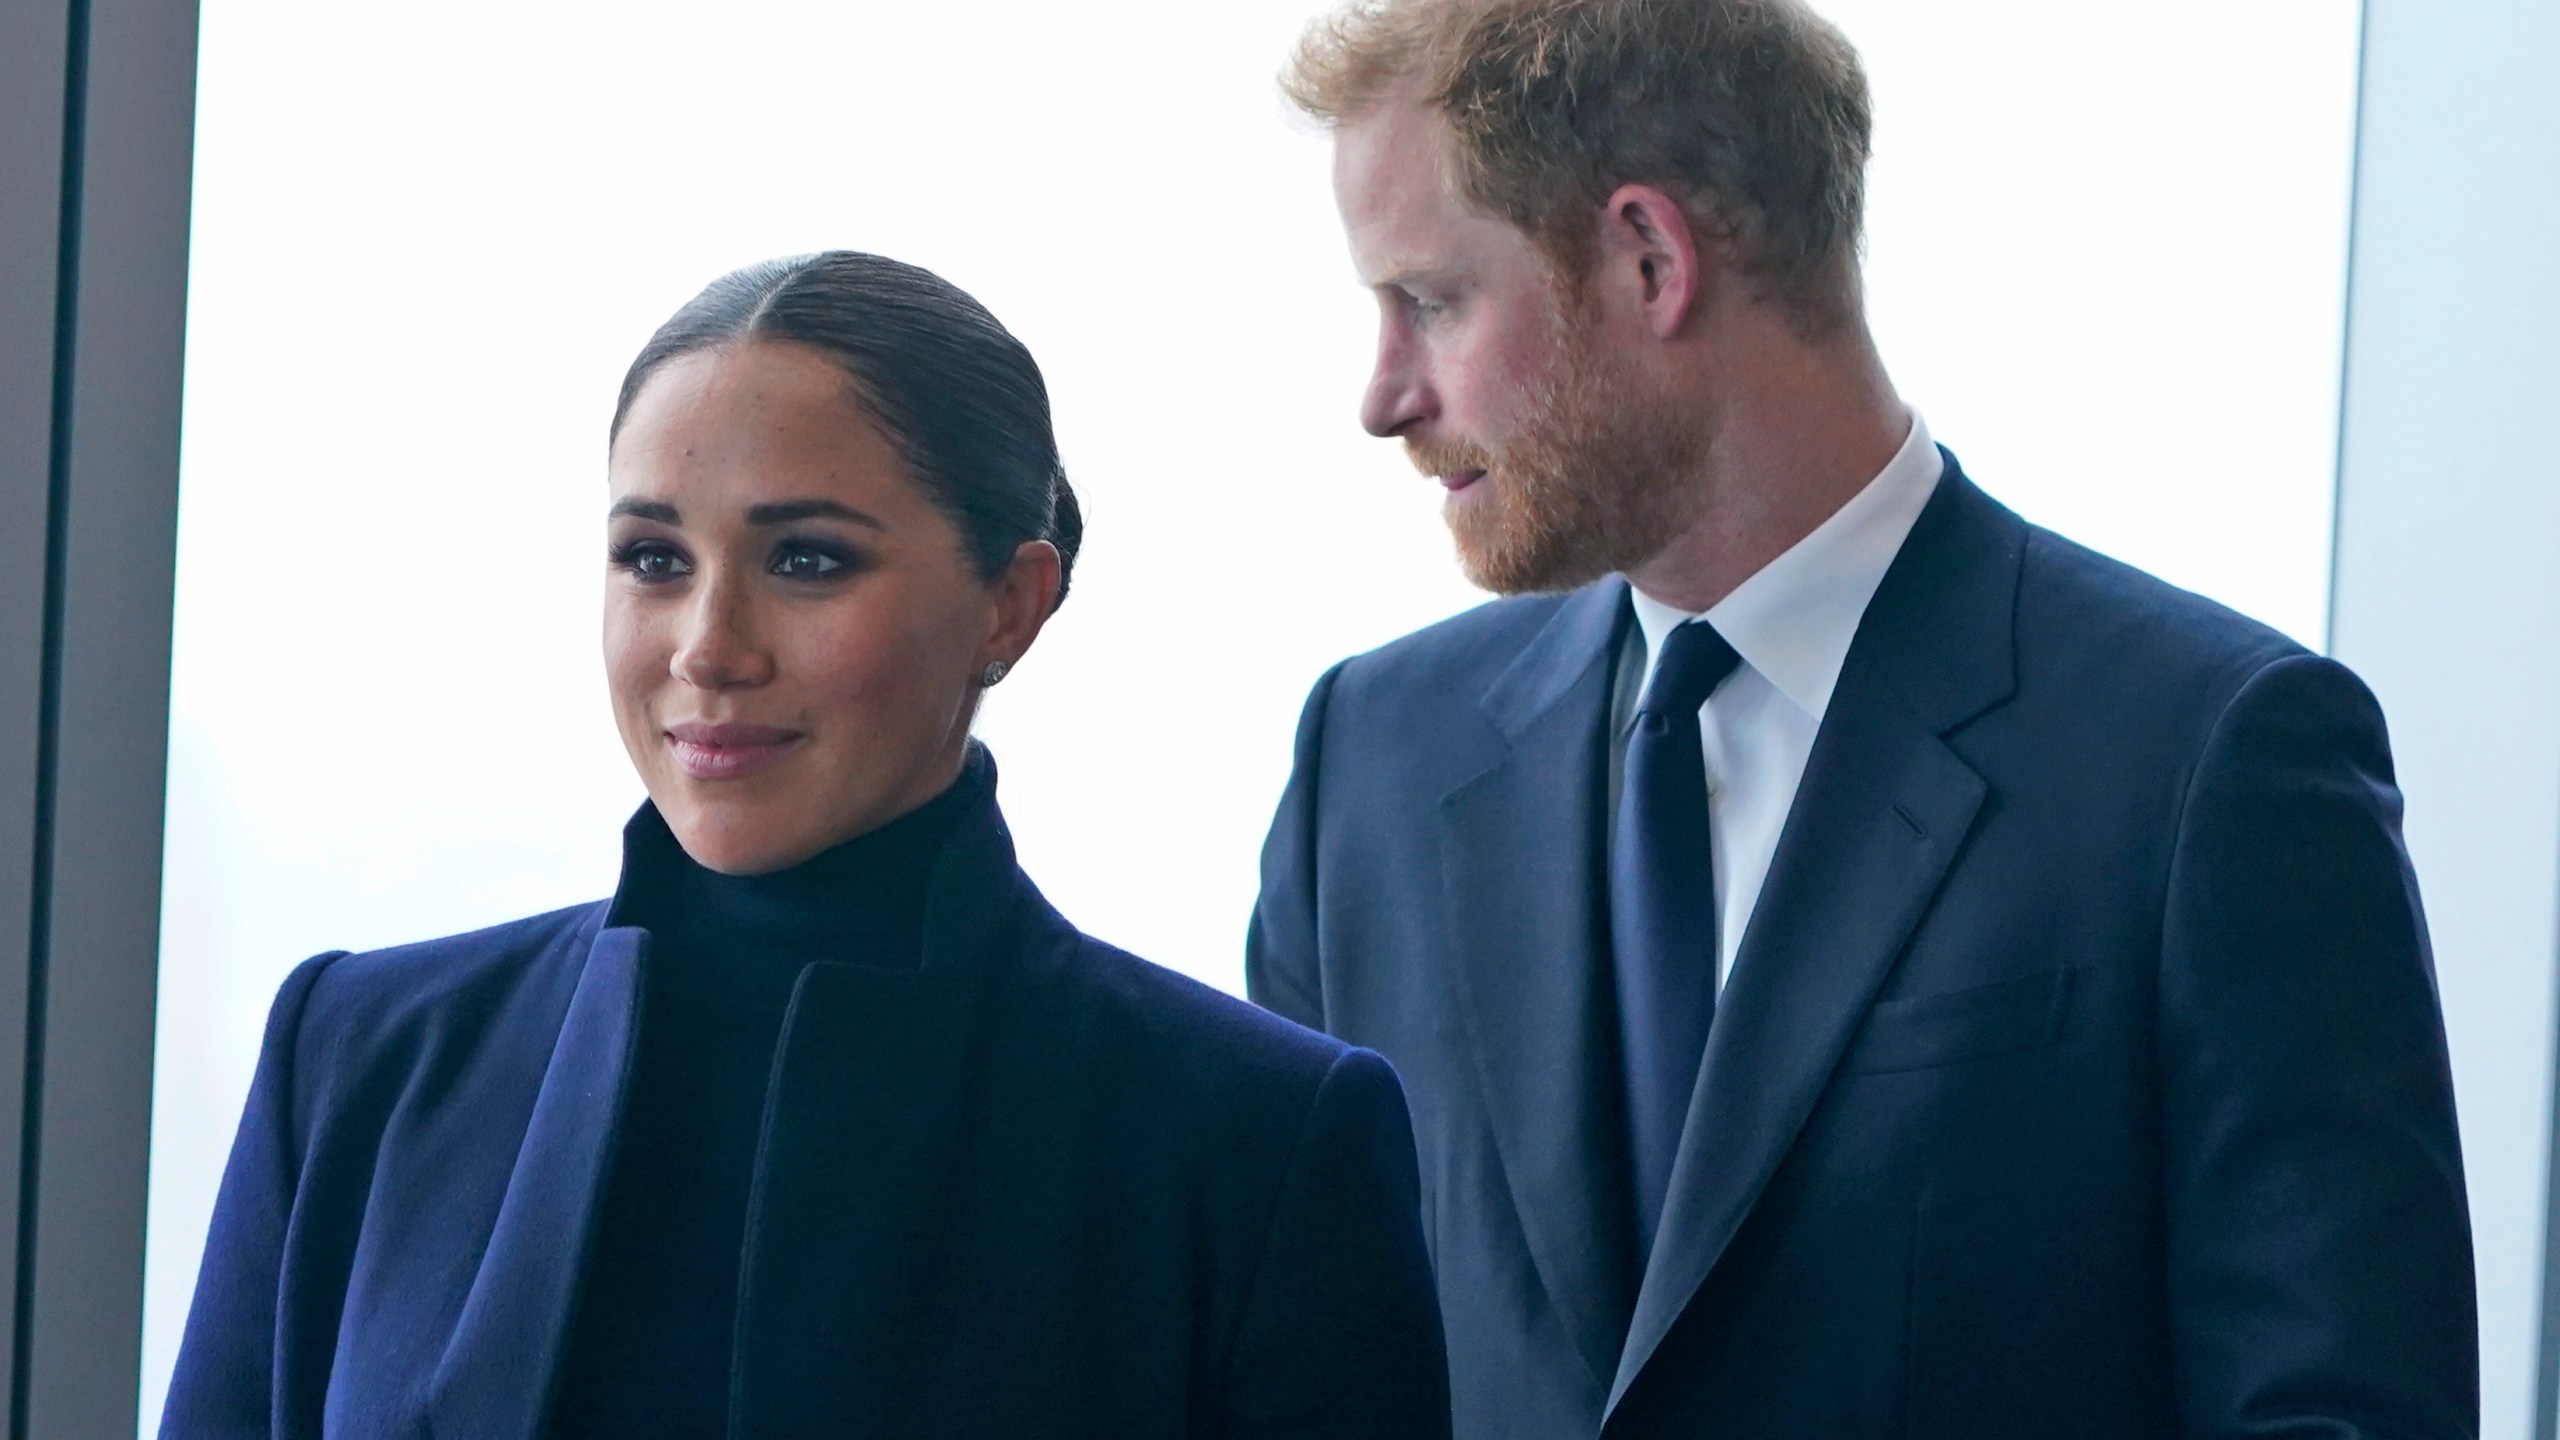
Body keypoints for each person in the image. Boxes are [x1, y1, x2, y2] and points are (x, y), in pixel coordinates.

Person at [1247, 2, 2476, 1437]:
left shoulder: (2212, 759)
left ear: (1650, 259)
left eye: (1433, 300)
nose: (1385, 396)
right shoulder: (1372, 764)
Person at [163, 251, 1450, 1439]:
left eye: (807, 560)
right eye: (654, 558)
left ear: (1011, 602)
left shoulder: (1256, 1144)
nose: (709, 648)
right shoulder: (360, 1053)